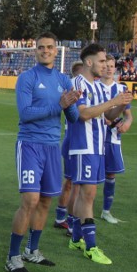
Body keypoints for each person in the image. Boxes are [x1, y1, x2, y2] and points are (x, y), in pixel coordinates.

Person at [5, 33, 81, 272]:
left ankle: (32, 250)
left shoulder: (64, 80)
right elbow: (25, 113)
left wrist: (70, 105)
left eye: (49, 47)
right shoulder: (27, 78)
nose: (45, 51)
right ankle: (13, 257)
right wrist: (58, 105)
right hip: (29, 144)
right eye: (41, 48)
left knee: (46, 201)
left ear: (56, 51)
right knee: (30, 200)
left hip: (51, 146)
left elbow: (74, 117)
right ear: (35, 51)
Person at [68, 44, 132, 265]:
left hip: (98, 147)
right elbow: (83, 114)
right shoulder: (77, 83)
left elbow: (106, 116)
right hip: (83, 146)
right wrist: (113, 102)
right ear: (89, 62)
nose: (106, 65)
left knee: (86, 194)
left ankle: (76, 239)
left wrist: (121, 105)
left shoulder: (99, 88)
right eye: (102, 61)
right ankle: (91, 246)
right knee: (88, 195)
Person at [100, 59, 133, 224]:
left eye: (111, 66)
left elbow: (128, 115)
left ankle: (106, 211)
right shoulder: (95, 85)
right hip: (94, 137)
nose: (108, 69)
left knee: (110, 174)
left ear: (115, 69)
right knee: (89, 177)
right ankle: (78, 211)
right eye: (105, 66)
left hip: (112, 138)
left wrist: (127, 124)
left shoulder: (121, 89)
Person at [54, 60, 83, 232]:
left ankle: (64, 217)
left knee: (74, 183)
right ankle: (66, 220)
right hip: (73, 141)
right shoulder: (73, 89)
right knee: (72, 183)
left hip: (77, 141)